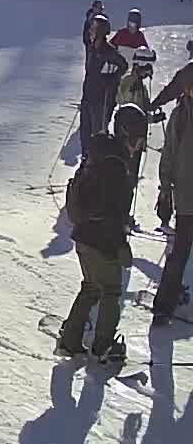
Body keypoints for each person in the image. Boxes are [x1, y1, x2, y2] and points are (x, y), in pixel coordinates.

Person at [57, 103, 149, 361]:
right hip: (99, 238)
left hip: (83, 235)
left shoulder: (99, 152)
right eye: (139, 139)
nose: (140, 146)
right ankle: (103, 346)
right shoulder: (115, 165)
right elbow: (111, 211)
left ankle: (70, 340)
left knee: (91, 287)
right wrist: (121, 244)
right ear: (126, 133)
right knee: (111, 290)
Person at [152, 77, 193, 326]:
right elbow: (168, 155)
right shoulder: (181, 116)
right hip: (187, 199)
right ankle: (163, 306)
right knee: (179, 255)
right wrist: (165, 190)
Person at [82, 15, 127, 136]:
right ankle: (86, 154)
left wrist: (112, 78)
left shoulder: (109, 51)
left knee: (98, 134)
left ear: (100, 32)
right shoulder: (91, 48)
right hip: (88, 96)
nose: (90, 31)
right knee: (85, 132)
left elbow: (124, 65)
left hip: (102, 99)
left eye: (93, 28)